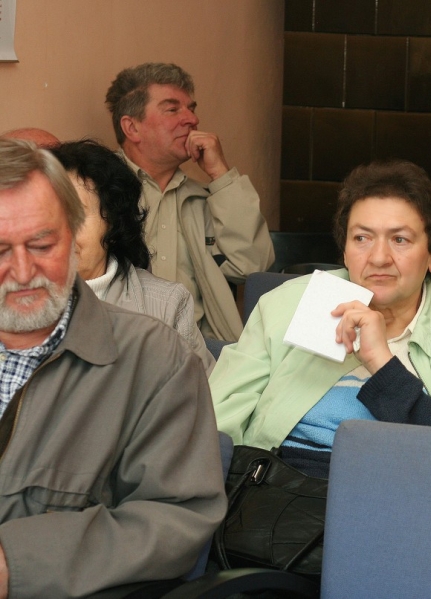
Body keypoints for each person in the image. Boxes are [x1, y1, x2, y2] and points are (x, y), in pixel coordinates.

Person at [0, 138, 225, 597]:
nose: (23, 272)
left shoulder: (153, 358)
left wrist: (15, 562)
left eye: (42, 244)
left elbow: (175, 521)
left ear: (74, 238)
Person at [211, 160, 431, 478]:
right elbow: (218, 420)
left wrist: (382, 364)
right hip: (275, 485)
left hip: (394, 492)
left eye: (400, 239)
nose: (379, 258)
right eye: (361, 238)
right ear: (344, 252)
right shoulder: (288, 303)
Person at [105, 62, 275, 342]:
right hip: (121, 347)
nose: (192, 119)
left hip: (199, 351)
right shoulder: (98, 190)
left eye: (191, 109)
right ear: (132, 127)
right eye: (173, 109)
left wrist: (220, 174)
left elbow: (252, 266)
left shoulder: (207, 199)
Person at [51, 139, 216, 375]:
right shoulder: (15, 298)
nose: (61, 231)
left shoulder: (166, 305)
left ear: (112, 221)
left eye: (76, 214)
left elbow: (202, 391)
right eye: (49, 215)